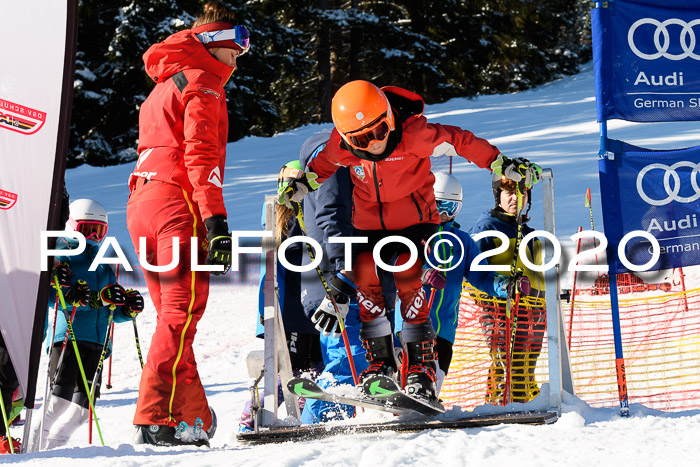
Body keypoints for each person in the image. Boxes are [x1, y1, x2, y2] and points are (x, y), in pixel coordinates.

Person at [279, 80, 541, 402]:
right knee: (367, 286)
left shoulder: (414, 134)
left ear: (390, 118)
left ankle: (421, 369)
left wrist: (498, 163)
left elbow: (460, 140)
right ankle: (380, 364)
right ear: (348, 139)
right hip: (368, 227)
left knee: (407, 281)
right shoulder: (341, 148)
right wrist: (302, 185)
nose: (374, 143)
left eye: (380, 131)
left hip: (415, 224)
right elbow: (322, 166)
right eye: (362, 138)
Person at [126, 0, 249, 446]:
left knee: (173, 322)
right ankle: (154, 414)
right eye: (237, 43)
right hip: (178, 203)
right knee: (181, 315)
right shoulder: (204, 84)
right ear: (212, 42)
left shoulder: (163, 85)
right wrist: (216, 220)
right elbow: (200, 157)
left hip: (143, 204)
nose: (241, 53)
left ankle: (192, 414)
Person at [394, 173, 528, 394]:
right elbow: (394, 269)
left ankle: (427, 401)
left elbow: (482, 276)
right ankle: (399, 398)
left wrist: (506, 286)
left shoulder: (463, 241)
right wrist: (423, 275)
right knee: (413, 374)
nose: (444, 214)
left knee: (435, 376)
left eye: (451, 207)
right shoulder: (410, 235)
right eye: (439, 205)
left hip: (445, 328)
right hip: (411, 323)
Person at [32, 199, 143, 450]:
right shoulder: (61, 255)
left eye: (99, 231)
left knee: (83, 411)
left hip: (98, 342)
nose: (93, 236)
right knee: (58, 403)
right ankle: (31, 448)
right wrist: (78, 297)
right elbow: (51, 297)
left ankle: (53, 450)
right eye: (87, 229)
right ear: (72, 227)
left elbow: (110, 308)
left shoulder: (102, 262)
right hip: (69, 336)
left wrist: (127, 308)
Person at [468, 175, 546, 404]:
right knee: (507, 364)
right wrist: (492, 299)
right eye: (509, 193)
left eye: (521, 194)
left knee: (526, 364)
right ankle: (499, 406)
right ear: (498, 197)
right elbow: (473, 273)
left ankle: (527, 404)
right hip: (500, 311)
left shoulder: (529, 233)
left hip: (532, 313)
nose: (515, 198)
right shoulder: (487, 228)